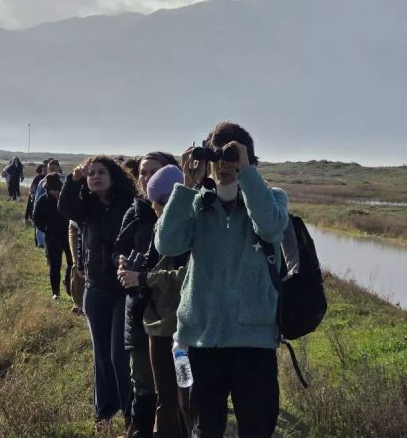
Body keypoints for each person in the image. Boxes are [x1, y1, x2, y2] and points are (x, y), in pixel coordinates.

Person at [155, 121, 289, 438]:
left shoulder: (271, 198)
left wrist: (247, 174)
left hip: (253, 340)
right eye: (219, 158)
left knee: (257, 429)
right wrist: (187, 184)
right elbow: (167, 244)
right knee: (204, 430)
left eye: (232, 157)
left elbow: (270, 229)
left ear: (249, 161)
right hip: (202, 339)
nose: (224, 166)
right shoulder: (198, 202)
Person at [58, 156, 137, 434]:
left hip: (123, 292)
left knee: (119, 356)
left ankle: (131, 415)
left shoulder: (128, 205)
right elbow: (64, 206)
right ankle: (102, 415)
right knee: (101, 357)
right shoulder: (86, 208)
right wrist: (73, 179)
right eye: (91, 174)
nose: (95, 177)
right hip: (96, 290)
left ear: (113, 176)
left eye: (101, 172)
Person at [113, 152, 179, 438]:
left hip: (174, 319)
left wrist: (143, 277)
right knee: (144, 382)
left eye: (154, 171)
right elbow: (120, 248)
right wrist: (125, 264)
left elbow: (185, 273)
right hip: (142, 310)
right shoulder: (137, 211)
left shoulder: (185, 220)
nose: (146, 176)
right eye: (142, 171)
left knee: (177, 390)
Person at [142, 165, 192, 438]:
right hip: (161, 326)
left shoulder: (185, 229)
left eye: (157, 202)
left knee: (177, 398)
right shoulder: (163, 226)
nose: (154, 207)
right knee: (172, 397)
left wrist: (144, 278)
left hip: (177, 331)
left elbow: (186, 275)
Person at [32, 173, 72, 301]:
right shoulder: (42, 200)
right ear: (47, 189)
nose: (54, 191)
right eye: (51, 189)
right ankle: (56, 292)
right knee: (55, 265)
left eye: (56, 189)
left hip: (69, 236)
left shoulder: (66, 199)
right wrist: (46, 229)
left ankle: (68, 281)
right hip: (52, 237)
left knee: (72, 263)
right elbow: (36, 218)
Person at [33, 159, 63, 249]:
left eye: (54, 168)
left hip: (61, 212)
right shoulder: (43, 182)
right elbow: (37, 198)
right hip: (46, 210)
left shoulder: (65, 179)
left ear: (58, 168)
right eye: (50, 168)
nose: (52, 170)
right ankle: (42, 244)